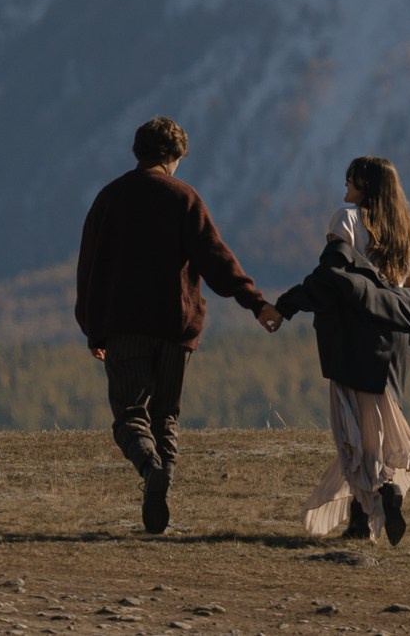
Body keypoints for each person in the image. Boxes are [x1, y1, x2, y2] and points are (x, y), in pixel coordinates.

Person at [75, 116, 283, 535]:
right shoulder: (185, 198)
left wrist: (92, 328)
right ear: (174, 156)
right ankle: (161, 483)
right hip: (177, 325)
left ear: (139, 152)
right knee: (165, 415)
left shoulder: (108, 199)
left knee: (130, 415)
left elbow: (89, 271)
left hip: (123, 326)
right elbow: (217, 260)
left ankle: (151, 471)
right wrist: (256, 304)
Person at [274, 155, 410, 544]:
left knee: (353, 433)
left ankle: (385, 491)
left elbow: (329, 279)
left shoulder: (347, 220)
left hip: (352, 340)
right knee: (375, 432)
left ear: (364, 186)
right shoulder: (404, 236)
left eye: (350, 182)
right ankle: (360, 523)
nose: (345, 190)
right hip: (394, 346)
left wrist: (284, 307)